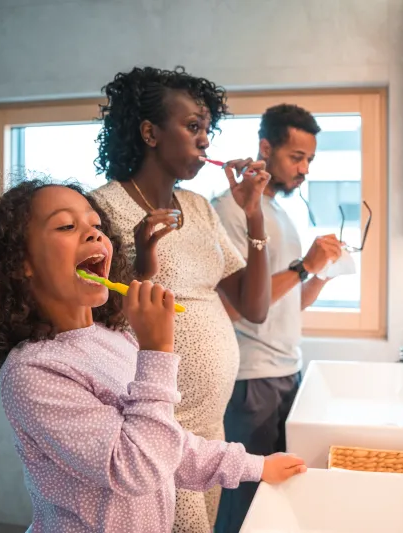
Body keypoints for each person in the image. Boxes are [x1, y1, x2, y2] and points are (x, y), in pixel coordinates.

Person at [0, 180, 305, 533]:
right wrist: (157, 351)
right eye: (66, 226)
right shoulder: (32, 370)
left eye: (96, 225)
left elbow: (166, 445)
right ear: (22, 263)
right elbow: (135, 469)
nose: (94, 233)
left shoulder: (114, 338)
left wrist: (256, 466)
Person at [89, 66, 273, 531]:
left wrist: (253, 217)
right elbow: (91, 312)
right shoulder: (101, 209)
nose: (205, 141)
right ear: (150, 132)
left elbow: (254, 308)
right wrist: (142, 266)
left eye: (207, 129)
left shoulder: (198, 208)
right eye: (193, 127)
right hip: (154, 425)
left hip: (209, 428)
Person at [212, 104, 344, 533]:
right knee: (244, 503)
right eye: (296, 157)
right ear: (265, 148)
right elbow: (241, 306)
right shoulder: (231, 211)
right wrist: (304, 266)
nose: (304, 169)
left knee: (274, 502)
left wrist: (321, 276)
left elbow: (286, 304)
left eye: (310, 160)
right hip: (251, 380)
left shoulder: (281, 212)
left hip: (287, 371)